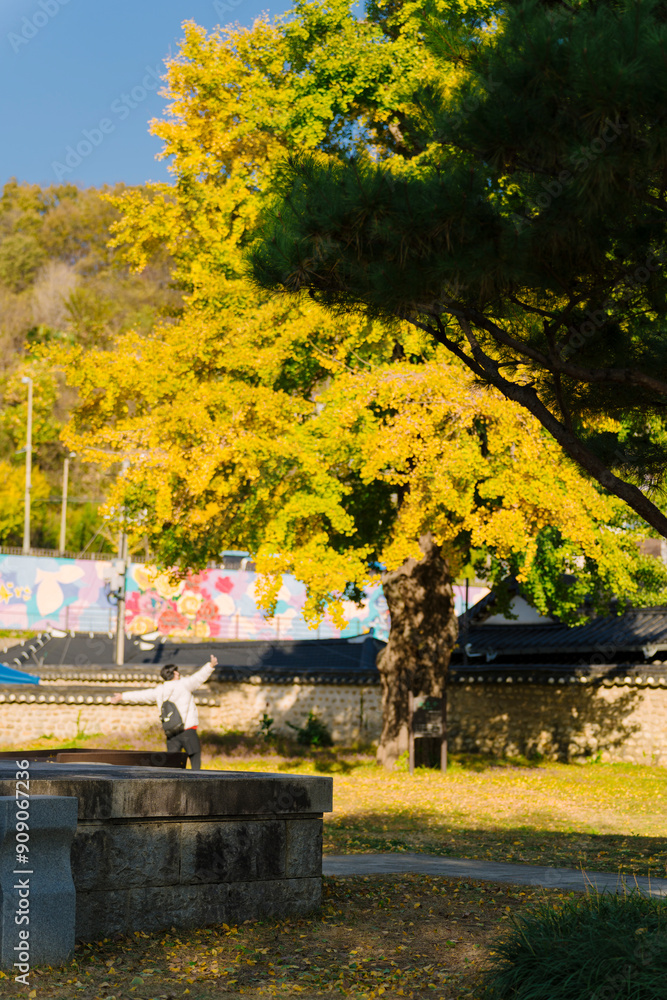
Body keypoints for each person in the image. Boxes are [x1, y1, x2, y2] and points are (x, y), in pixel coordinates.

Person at [110, 656, 217, 770]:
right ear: (175, 673)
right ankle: (197, 783)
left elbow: (142, 695)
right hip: (187, 730)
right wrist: (210, 666)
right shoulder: (183, 685)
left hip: (171, 732)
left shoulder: (159, 691)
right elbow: (198, 678)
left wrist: (122, 696)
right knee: (194, 757)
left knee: (172, 764)